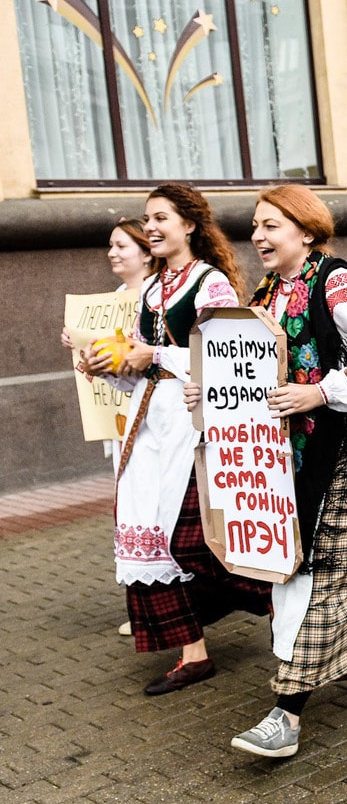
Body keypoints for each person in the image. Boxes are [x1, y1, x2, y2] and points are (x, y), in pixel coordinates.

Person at [186, 184, 347, 758]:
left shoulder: (337, 281)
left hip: (342, 454)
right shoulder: (264, 292)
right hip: (287, 461)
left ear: (306, 231)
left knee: (317, 574)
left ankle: (286, 712)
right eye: (256, 226)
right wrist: (208, 391)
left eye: (271, 226)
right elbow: (246, 371)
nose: (257, 236)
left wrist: (321, 394)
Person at [82, 185, 271, 695]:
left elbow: (229, 358)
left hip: (197, 422)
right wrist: (109, 367)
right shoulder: (151, 289)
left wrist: (153, 356)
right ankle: (193, 653)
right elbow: (140, 368)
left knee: (193, 537)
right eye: (148, 219)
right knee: (146, 530)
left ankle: (274, 600)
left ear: (189, 225)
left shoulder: (210, 286)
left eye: (161, 217)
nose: (152, 227)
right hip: (151, 423)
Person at [61, 217, 155, 638]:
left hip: (153, 418)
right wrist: (78, 340)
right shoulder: (115, 298)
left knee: (153, 506)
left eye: (122, 246)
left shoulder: (155, 297)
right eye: (110, 246)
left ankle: (165, 604)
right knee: (129, 509)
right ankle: (142, 603)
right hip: (120, 412)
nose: (113, 253)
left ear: (145, 252)